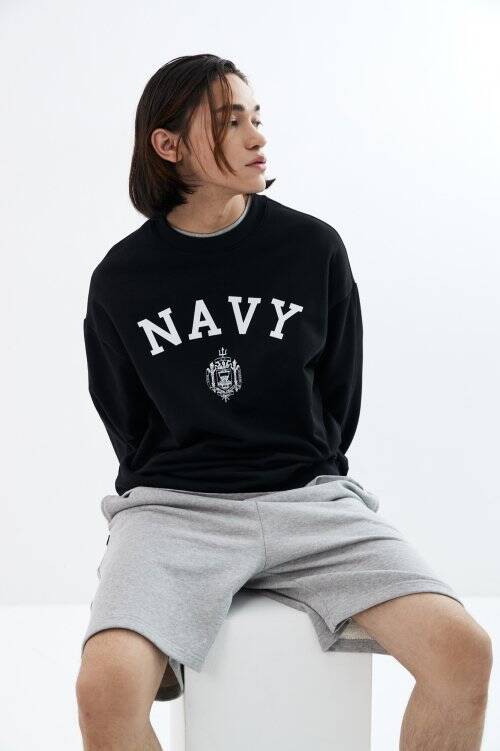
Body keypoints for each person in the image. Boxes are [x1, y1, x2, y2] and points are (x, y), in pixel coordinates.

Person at [76, 54, 492, 751]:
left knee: (463, 652)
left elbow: (339, 394)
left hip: (310, 501)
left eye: (255, 117)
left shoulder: (311, 247)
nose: (256, 137)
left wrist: (299, 471)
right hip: (175, 511)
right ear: (168, 145)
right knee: (105, 688)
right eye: (228, 121)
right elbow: (126, 418)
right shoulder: (121, 278)